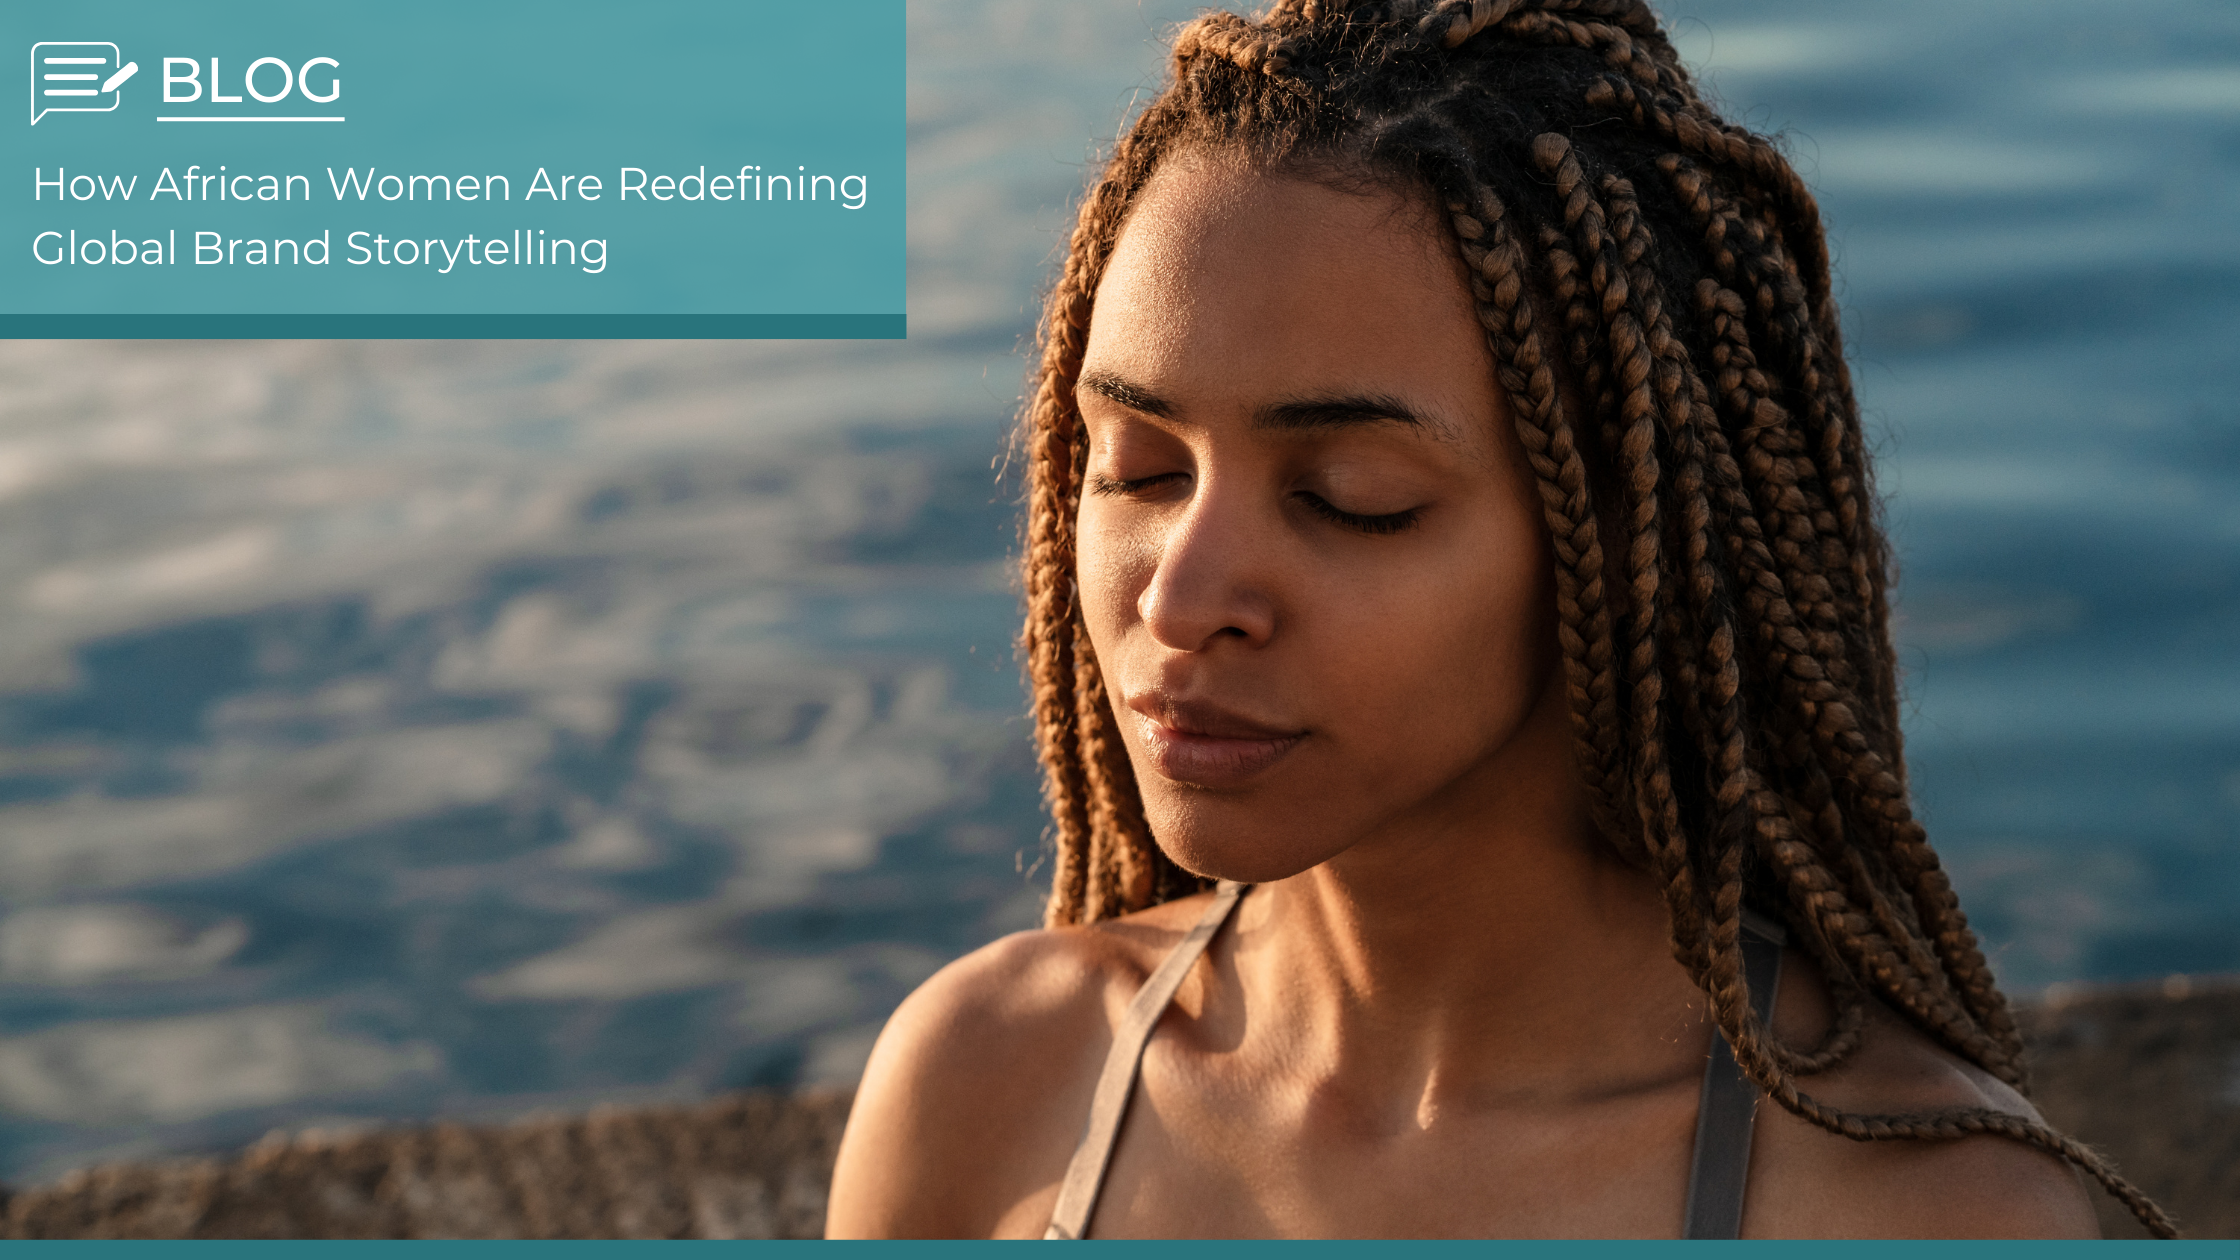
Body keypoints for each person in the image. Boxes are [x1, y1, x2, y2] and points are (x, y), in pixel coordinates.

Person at [825, 0, 2175, 1239]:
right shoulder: (988, 1089)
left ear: (1623, 543)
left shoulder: (1909, 1204)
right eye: (1141, 469)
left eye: (1352, 500)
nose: (1179, 598)